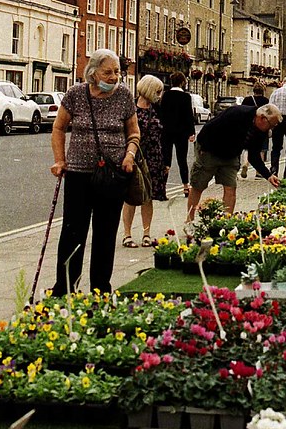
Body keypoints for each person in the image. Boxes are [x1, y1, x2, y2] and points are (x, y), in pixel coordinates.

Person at [49, 49, 139, 295]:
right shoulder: (76, 94)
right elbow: (58, 128)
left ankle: (100, 289)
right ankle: (65, 288)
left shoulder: (123, 96)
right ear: (93, 72)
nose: (114, 77)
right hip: (79, 174)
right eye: (108, 72)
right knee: (72, 233)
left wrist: (129, 155)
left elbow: (133, 133)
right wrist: (60, 160)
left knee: (106, 233)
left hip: (113, 176)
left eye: (117, 72)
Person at [186, 103, 283, 222]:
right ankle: (189, 221)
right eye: (271, 125)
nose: (271, 129)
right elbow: (209, 129)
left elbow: (253, 155)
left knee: (230, 188)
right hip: (210, 150)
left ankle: (226, 221)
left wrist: (268, 175)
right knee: (198, 185)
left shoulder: (261, 131)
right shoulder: (237, 113)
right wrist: (203, 151)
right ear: (262, 118)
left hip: (231, 155)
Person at [121, 75, 169, 248]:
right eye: (157, 91)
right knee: (131, 196)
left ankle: (146, 234)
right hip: (134, 156)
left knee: (148, 196)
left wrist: (166, 162)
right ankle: (127, 235)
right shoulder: (130, 108)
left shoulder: (158, 109)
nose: (159, 94)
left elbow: (166, 136)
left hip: (154, 157)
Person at [157, 71, 196, 196]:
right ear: (183, 82)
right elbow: (189, 116)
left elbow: (161, 113)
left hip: (166, 132)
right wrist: (192, 132)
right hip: (181, 133)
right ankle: (185, 186)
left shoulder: (166, 95)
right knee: (182, 160)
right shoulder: (185, 97)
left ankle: (162, 188)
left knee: (166, 160)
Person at [239, 81, 269, 178]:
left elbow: (242, 112)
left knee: (247, 148)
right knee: (260, 149)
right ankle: (258, 172)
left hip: (247, 126)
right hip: (261, 128)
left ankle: (245, 164)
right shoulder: (265, 101)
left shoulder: (247, 100)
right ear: (262, 90)